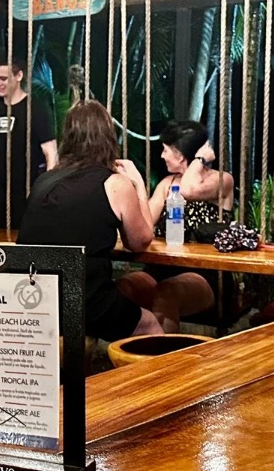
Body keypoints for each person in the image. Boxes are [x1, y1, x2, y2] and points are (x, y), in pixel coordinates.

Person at [17, 100, 163, 341]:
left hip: (32, 296)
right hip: (81, 299)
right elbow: (140, 241)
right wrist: (137, 182)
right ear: (108, 136)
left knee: (126, 289)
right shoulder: (114, 183)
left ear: (68, 138)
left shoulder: (44, 180)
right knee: (150, 325)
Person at [117, 121, 235, 332]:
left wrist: (200, 160)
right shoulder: (167, 184)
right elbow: (145, 223)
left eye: (166, 150)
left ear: (180, 155)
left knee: (167, 293)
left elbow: (188, 190)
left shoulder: (221, 180)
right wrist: (138, 185)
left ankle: (164, 353)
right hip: (161, 268)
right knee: (124, 287)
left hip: (205, 274)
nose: (162, 156)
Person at [0, 61, 58, 230]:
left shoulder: (36, 108)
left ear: (19, 76)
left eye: (3, 78)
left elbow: (51, 153)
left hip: (25, 194)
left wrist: (45, 190)